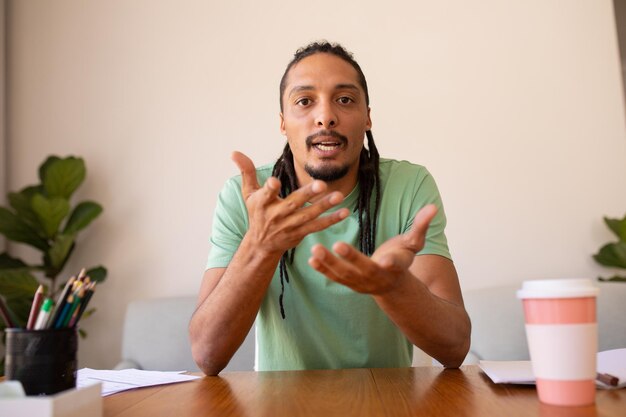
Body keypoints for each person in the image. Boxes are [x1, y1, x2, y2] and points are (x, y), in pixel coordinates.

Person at [189, 41, 471, 375]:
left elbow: (455, 348)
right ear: (283, 123)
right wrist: (261, 245)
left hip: (388, 402)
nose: (326, 117)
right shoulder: (247, 197)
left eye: (345, 100)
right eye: (305, 101)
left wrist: (394, 288)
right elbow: (207, 355)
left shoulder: (409, 186)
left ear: (367, 118)